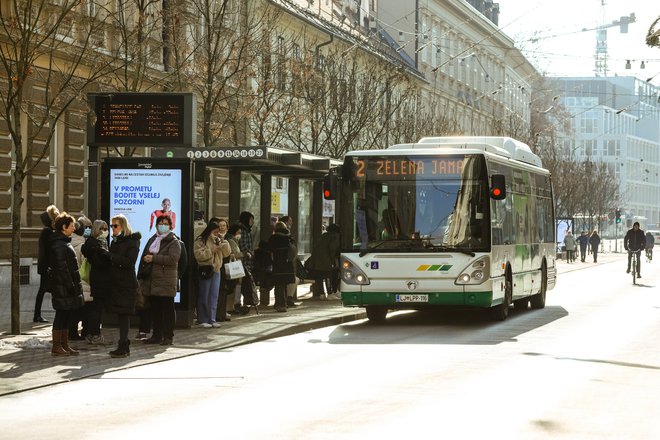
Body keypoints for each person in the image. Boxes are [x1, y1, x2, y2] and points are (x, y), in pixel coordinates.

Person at [138, 215, 182, 345]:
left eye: (165, 223)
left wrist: (154, 258)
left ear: (170, 225)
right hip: (152, 280)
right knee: (155, 309)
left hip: (166, 281)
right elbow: (146, 254)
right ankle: (156, 335)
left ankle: (168, 336)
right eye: (160, 223)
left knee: (167, 309)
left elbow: (173, 259)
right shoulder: (153, 239)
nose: (163, 225)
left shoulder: (174, 241)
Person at [47, 212, 85, 356]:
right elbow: (62, 269)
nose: (74, 229)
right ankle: (57, 346)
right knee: (61, 315)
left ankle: (64, 345)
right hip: (63, 287)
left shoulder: (64, 242)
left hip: (67, 286)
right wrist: (71, 287)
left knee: (67, 315)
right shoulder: (58, 245)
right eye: (71, 226)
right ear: (64, 227)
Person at [107, 214, 141, 358]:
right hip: (116, 282)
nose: (112, 229)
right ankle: (123, 344)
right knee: (121, 315)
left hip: (126, 283)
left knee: (124, 314)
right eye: (111, 226)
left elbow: (129, 262)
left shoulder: (132, 241)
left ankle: (124, 344)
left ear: (123, 226)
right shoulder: (115, 241)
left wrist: (111, 257)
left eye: (115, 226)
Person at [193, 220, 230, 328]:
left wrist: (223, 242)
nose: (216, 234)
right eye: (214, 232)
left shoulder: (219, 240)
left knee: (214, 295)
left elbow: (227, 253)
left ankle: (212, 318)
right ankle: (203, 319)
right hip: (206, 269)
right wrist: (211, 251)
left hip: (216, 270)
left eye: (218, 232)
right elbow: (198, 255)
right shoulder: (201, 240)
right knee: (204, 294)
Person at [81, 220, 112, 345]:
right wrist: (107, 258)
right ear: (96, 230)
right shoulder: (95, 245)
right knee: (96, 308)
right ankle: (95, 334)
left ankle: (90, 333)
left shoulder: (99, 243)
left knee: (96, 307)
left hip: (99, 279)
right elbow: (99, 263)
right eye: (102, 229)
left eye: (106, 228)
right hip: (99, 279)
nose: (105, 231)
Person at [34, 204, 60, 323]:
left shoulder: (47, 231)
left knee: (44, 290)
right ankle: (38, 315)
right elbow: (48, 251)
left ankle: (37, 315)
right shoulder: (48, 232)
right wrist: (49, 266)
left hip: (45, 266)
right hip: (47, 267)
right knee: (45, 289)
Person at [69, 216, 93, 341]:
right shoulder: (82, 245)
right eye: (87, 227)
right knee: (84, 310)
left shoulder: (70, 242)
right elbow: (86, 265)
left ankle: (72, 331)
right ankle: (81, 332)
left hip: (73, 281)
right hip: (83, 281)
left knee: (75, 309)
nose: (89, 230)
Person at [267, 221, 297, 312]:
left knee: (279, 284)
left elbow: (269, 249)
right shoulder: (289, 237)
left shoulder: (274, 238)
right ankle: (281, 304)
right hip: (288, 264)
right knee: (283, 284)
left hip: (278, 264)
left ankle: (281, 304)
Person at [306, 224, 341, 300]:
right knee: (328, 276)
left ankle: (322, 294)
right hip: (326, 259)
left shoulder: (323, 236)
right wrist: (332, 260)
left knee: (319, 276)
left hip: (317, 259)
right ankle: (330, 293)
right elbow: (332, 249)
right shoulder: (334, 236)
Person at [225, 223, 248, 315]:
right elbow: (236, 253)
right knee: (232, 287)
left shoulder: (232, 239)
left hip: (234, 266)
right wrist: (244, 254)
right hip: (232, 267)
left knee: (234, 287)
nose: (240, 235)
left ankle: (231, 306)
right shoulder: (231, 240)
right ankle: (230, 307)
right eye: (239, 232)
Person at [279, 215, 298, 307]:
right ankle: (288, 299)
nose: (292, 222)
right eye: (290, 221)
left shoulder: (275, 238)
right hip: (286, 263)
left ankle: (286, 299)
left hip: (282, 264)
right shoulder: (287, 237)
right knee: (291, 280)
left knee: (290, 280)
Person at [253, 240, 273, 306]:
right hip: (265, 272)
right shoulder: (267, 253)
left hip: (256, 272)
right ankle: (266, 288)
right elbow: (269, 263)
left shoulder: (256, 252)